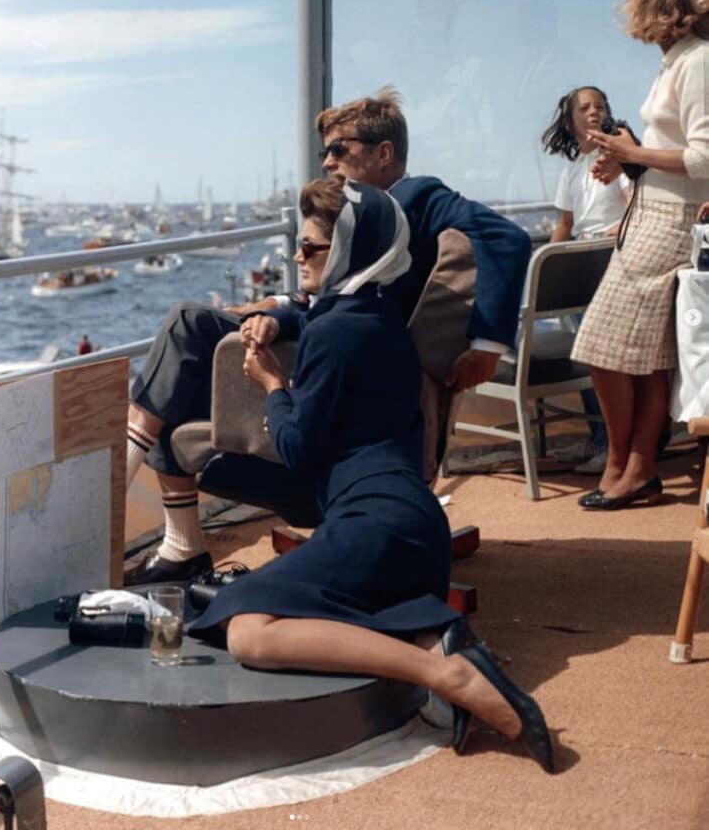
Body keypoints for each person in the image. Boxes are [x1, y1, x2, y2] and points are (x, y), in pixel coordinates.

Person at [188, 177, 553, 773]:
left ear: (353, 251)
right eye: (298, 247)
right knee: (312, 605)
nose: (297, 258)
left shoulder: (336, 331)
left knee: (247, 631)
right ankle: (438, 648)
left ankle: (448, 672)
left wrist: (274, 390)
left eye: (311, 248)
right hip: (413, 530)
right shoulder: (379, 316)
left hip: (374, 525)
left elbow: (300, 451)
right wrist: (285, 323)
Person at [124, 88, 531, 584]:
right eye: (325, 151)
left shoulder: (414, 197)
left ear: (384, 153)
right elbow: (338, 293)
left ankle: (137, 508)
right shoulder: (358, 210)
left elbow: (505, 238)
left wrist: (487, 346)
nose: (328, 160)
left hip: (343, 362)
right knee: (181, 362)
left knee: (188, 329)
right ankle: (179, 542)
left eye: (340, 148)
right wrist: (277, 311)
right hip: (326, 336)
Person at [573, 0, 709, 510]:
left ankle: (624, 461)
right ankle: (636, 468)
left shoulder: (697, 62)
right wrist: (629, 165)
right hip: (651, 212)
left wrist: (631, 153)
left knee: (600, 346)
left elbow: (703, 157)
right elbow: (676, 152)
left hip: (670, 223)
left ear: (664, 9)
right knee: (650, 356)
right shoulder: (678, 62)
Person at [540, 86, 630, 475]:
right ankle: (597, 439)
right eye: (585, 107)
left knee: (602, 356)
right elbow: (565, 225)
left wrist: (615, 234)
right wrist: (538, 269)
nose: (594, 112)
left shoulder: (618, 157)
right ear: (569, 118)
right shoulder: (573, 169)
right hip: (578, 262)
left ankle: (613, 445)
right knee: (583, 354)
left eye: (600, 106)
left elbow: (633, 207)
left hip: (610, 258)